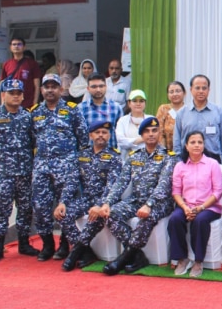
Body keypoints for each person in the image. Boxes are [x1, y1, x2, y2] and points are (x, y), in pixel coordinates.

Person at [101, 117, 177, 276]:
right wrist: (108, 202)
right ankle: (137, 255)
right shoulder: (134, 156)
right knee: (111, 214)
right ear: (141, 135)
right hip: (136, 200)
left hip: (160, 203)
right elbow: (121, 182)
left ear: (160, 133)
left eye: (154, 131)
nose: (151, 134)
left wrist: (149, 204)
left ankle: (123, 258)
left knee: (146, 218)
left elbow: (164, 185)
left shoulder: (169, 156)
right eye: (147, 131)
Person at [0, 79, 39, 264]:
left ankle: (24, 243)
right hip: (4, 173)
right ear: (3, 95)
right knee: (3, 209)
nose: (16, 96)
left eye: (19, 93)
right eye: (12, 93)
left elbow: (34, 140)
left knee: (25, 208)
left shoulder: (27, 116)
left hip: (24, 171)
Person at [30, 74, 88, 261]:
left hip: (66, 165)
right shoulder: (35, 112)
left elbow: (84, 139)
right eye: (46, 87)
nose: (50, 90)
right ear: (41, 90)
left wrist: (77, 164)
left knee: (66, 206)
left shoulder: (72, 110)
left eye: (54, 86)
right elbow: (31, 140)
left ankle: (64, 245)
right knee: (41, 206)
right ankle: (47, 245)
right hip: (42, 167)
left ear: (61, 90)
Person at [56, 120, 122, 271]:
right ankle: (86, 252)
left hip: (106, 201)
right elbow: (72, 181)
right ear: (91, 135)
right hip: (86, 199)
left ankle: (76, 251)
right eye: (97, 133)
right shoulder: (82, 155)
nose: (101, 136)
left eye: (104, 133)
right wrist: (63, 202)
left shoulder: (114, 157)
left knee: (97, 217)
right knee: (63, 215)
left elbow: (112, 186)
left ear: (109, 136)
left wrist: (100, 205)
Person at [168, 130, 222, 278]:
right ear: (186, 146)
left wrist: (201, 207)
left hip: (209, 207)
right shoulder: (180, 166)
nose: (196, 145)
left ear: (204, 145)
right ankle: (181, 258)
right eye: (192, 142)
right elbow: (176, 192)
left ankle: (198, 261)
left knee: (200, 221)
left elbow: (217, 192)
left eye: (200, 142)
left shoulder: (212, 164)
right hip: (186, 205)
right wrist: (185, 207)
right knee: (174, 219)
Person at [173, 74, 222, 163]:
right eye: (197, 88)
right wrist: (179, 161)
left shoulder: (218, 112)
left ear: (209, 90)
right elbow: (177, 140)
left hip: (213, 160)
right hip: (188, 161)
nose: (201, 91)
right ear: (191, 90)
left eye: (204, 88)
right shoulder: (182, 113)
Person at [78, 73, 124, 149]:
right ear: (88, 89)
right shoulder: (81, 108)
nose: (98, 89)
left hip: (111, 156)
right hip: (88, 156)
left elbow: (120, 135)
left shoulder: (116, 108)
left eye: (101, 86)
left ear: (106, 87)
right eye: (94, 87)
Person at [0, 37, 41, 108]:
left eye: (19, 44)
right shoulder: (6, 64)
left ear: (24, 47)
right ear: (10, 47)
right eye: (14, 44)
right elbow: (3, 86)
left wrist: (35, 104)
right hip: (11, 104)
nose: (16, 46)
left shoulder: (32, 64)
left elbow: (37, 86)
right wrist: (3, 103)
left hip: (28, 104)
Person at [116, 89, 152, 162]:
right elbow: (121, 142)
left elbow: (153, 141)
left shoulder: (151, 119)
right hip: (126, 161)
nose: (138, 104)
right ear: (129, 103)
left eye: (141, 101)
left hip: (148, 162)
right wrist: (142, 139)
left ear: (145, 103)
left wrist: (131, 143)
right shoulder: (122, 121)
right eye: (135, 101)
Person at [156, 81, 186, 152]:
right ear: (168, 95)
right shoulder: (163, 109)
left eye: (178, 91)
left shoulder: (188, 109)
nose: (175, 94)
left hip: (187, 152)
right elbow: (159, 132)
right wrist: (164, 152)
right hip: (168, 153)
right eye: (171, 92)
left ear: (184, 93)